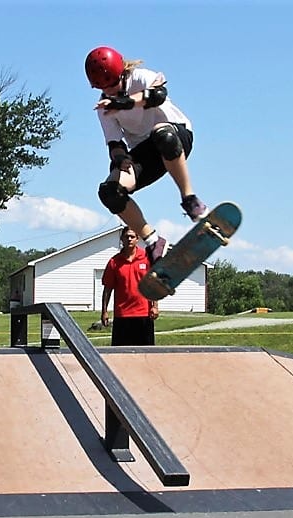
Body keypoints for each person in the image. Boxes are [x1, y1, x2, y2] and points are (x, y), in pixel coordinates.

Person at [85, 45, 207, 264]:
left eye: (113, 85)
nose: (110, 93)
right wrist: (121, 159)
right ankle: (152, 241)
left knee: (162, 134)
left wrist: (123, 102)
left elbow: (158, 95)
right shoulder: (104, 107)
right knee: (109, 191)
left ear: (122, 74)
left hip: (177, 135)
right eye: (104, 89)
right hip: (146, 153)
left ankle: (190, 199)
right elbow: (114, 143)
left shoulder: (139, 78)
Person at [101, 226, 158, 346]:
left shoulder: (146, 258)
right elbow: (107, 289)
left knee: (146, 353)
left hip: (143, 314)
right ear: (122, 239)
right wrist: (104, 311)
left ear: (137, 239)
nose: (129, 239)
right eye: (126, 237)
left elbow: (153, 284)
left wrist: (155, 306)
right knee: (120, 353)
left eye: (132, 237)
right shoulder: (114, 262)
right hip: (122, 315)